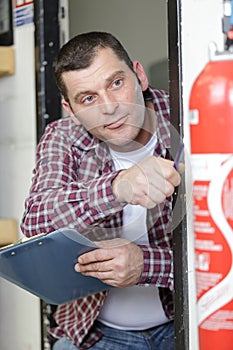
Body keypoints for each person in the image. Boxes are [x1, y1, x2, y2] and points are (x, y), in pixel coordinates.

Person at [21, 31, 182, 350]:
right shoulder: (64, 136)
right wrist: (116, 188)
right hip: (93, 331)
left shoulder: (189, 120)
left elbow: (220, 254)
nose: (109, 108)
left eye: (116, 83)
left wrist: (145, 264)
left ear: (139, 75)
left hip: (180, 322)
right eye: (88, 98)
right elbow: (36, 222)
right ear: (70, 108)